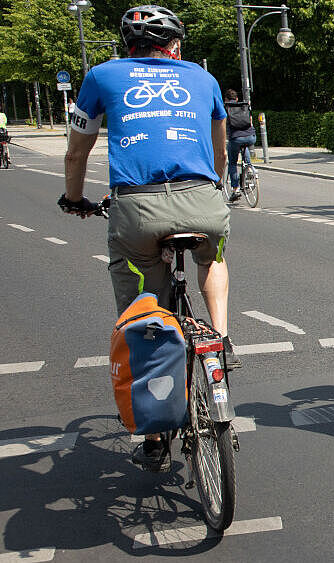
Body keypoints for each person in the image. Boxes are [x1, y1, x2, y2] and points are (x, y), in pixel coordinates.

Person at [60, 4, 237, 471]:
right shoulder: (203, 79)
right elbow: (220, 147)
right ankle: (219, 337)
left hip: (136, 207)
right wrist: (213, 187)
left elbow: (77, 154)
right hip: (203, 200)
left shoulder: (101, 76)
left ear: (126, 45)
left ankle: (156, 435)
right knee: (212, 258)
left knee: (145, 310)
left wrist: (73, 199)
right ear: (175, 46)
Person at [222, 88, 256, 201]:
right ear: (236, 99)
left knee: (232, 163)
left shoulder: (226, 108)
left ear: (225, 99)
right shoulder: (244, 106)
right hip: (251, 137)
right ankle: (249, 168)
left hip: (235, 138)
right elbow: (250, 121)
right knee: (244, 145)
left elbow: (222, 127)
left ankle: (235, 189)